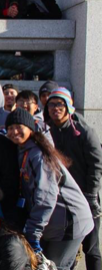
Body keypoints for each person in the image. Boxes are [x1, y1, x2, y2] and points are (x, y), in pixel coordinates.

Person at [6, 108, 94, 270]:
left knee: (55, 267)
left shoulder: (37, 155)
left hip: (69, 221)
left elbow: (46, 196)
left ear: (30, 128)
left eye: (19, 126)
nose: (14, 131)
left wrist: (33, 230)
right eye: (10, 128)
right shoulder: (24, 150)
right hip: (52, 224)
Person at [44, 88, 102, 270]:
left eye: (60, 104)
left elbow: (97, 165)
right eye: (51, 104)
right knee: (65, 247)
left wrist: (92, 195)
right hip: (60, 199)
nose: (55, 108)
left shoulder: (84, 132)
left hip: (85, 196)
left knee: (91, 247)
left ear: (69, 107)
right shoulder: (46, 130)